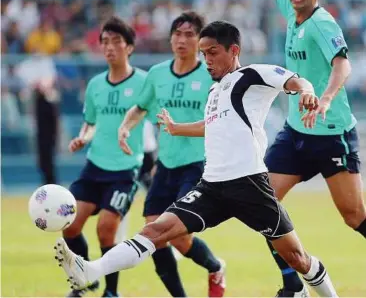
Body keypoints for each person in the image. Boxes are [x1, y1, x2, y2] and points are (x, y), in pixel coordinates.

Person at [54, 21, 339, 298]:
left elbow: (294, 80)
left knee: (298, 259)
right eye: (203, 53)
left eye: (212, 52)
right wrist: (178, 129)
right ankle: (91, 270)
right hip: (211, 186)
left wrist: (307, 91)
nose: (207, 60)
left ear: (234, 51)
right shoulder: (215, 90)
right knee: (156, 230)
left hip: (249, 183)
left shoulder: (252, 75)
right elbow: (212, 124)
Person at [253, 0, 366, 296]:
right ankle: (292, 285)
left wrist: (327, 99)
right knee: (263, 203)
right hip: (296, 132)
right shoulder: (289, 6)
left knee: (354, 216)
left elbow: (342, 64)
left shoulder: (323, 22)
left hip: (332, 133)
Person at [120, 11, 225, 298]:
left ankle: (215, 267)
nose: (182, 40)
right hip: (165, 166)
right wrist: (125, 127)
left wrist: (182, 129)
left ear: (201, 40)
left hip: (197, 165)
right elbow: (140, 107)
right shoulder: (156, 74)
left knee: (175, 233)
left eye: (190, 34)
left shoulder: (211, 76)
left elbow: (218, 123)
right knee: (154, 233)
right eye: (177, 34)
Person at [62, 16, 148, 298]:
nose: (109, 47)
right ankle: (86, 279)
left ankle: (111, 292)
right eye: (105, 42)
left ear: (130, 47)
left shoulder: (145, 82)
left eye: (116, 42)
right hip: (94, 166)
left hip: (125, 168)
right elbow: (90, 121)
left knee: (106, 230)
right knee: (69, 224)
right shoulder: (95, 84)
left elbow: (158, 116)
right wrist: (82, 138)